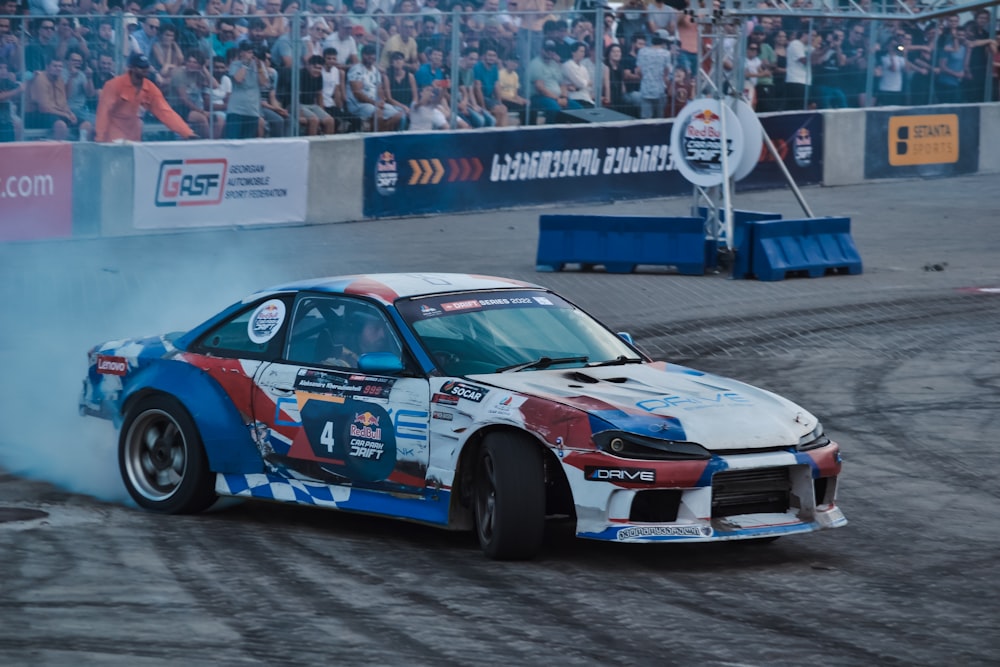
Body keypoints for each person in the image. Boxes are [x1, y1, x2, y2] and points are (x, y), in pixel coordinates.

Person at [95, 52, 197, 143]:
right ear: (132, 68)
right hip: (113, 132)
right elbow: (103, 112)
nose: (145, 70)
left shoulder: (150, 88)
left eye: (146, 67)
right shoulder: (113, 85)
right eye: (141, 67)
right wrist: (100, 138)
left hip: (133, 132)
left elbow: (165, 112)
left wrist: (187, 133)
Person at [347, 44, 403, 132]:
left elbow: (380, 89)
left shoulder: (375, 70)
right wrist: (375, 103)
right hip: (358, 104)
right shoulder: (356, 69)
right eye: (367, 54)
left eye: (373, 54)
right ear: (362, 55)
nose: (371, 57)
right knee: (378, 113)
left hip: (374, 103)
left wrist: (381, 101)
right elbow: (357, 93)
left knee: (399, 115)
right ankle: (377, 137)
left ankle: (382, 133)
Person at [527, 39, 580, 124]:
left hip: (557, 97)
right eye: (547, 49)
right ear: (542, 50)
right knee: (554, 108)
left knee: (578, 108)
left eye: (552, 50)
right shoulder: (536, 64)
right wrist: (557, 99)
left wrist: (564, 97)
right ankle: (550, 133)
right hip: (539, 97)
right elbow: (540, 87)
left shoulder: (554, 64)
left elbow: (562, 84)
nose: (550, 52)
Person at [169, 50, 212, 140]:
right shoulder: (179, 74)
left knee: (216, 118)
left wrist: (203, 69)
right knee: (201, 118)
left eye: (195, 62)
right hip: (178, 107)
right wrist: (202, 112)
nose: (191, 64)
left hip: (192, 107)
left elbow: (214, 85)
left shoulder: (198, 74)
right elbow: (184, 99)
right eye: (189, 61)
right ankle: (208, 143)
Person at [635, 28, 672, 118]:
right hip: (660, 89)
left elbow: (638, 71)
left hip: (645, 88)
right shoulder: (666, 54)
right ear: (664, 41)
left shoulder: (642, 51)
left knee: (645, 120)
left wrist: (644, 78)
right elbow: (667, 72)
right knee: (659, 118)